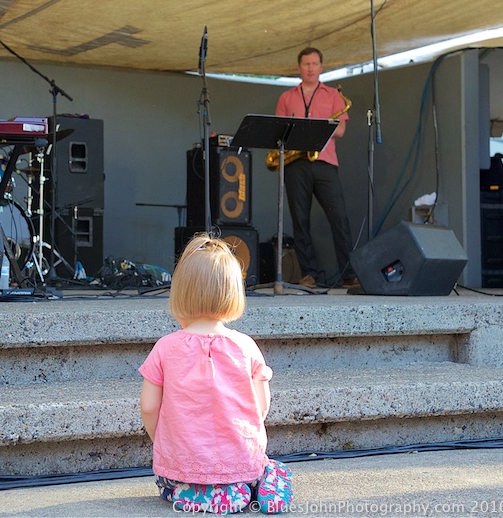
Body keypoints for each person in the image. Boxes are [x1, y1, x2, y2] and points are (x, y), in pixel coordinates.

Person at [139, 234, 293, 515]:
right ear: (234, 292)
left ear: (180, 292)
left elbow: (149, 407)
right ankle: (256, 484)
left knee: (170, 484)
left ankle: (203, 493)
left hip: (182, 468)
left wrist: (166, 441)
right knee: (260, 466)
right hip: (241, 463)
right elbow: (261, 407)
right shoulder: (246, 346)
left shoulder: (165, 348)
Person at [275, 47, 358, 288]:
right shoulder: (286, 97)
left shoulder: (333, 94)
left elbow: (340, 130)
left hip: (325, 162)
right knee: (300, 221)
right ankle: (309, 274)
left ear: (321, 67)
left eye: (315, 64)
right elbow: (280, 132)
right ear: (299, 67)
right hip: (296, 164)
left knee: (339, 218)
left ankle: (349, 274)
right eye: (306, 64)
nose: (310, 68)